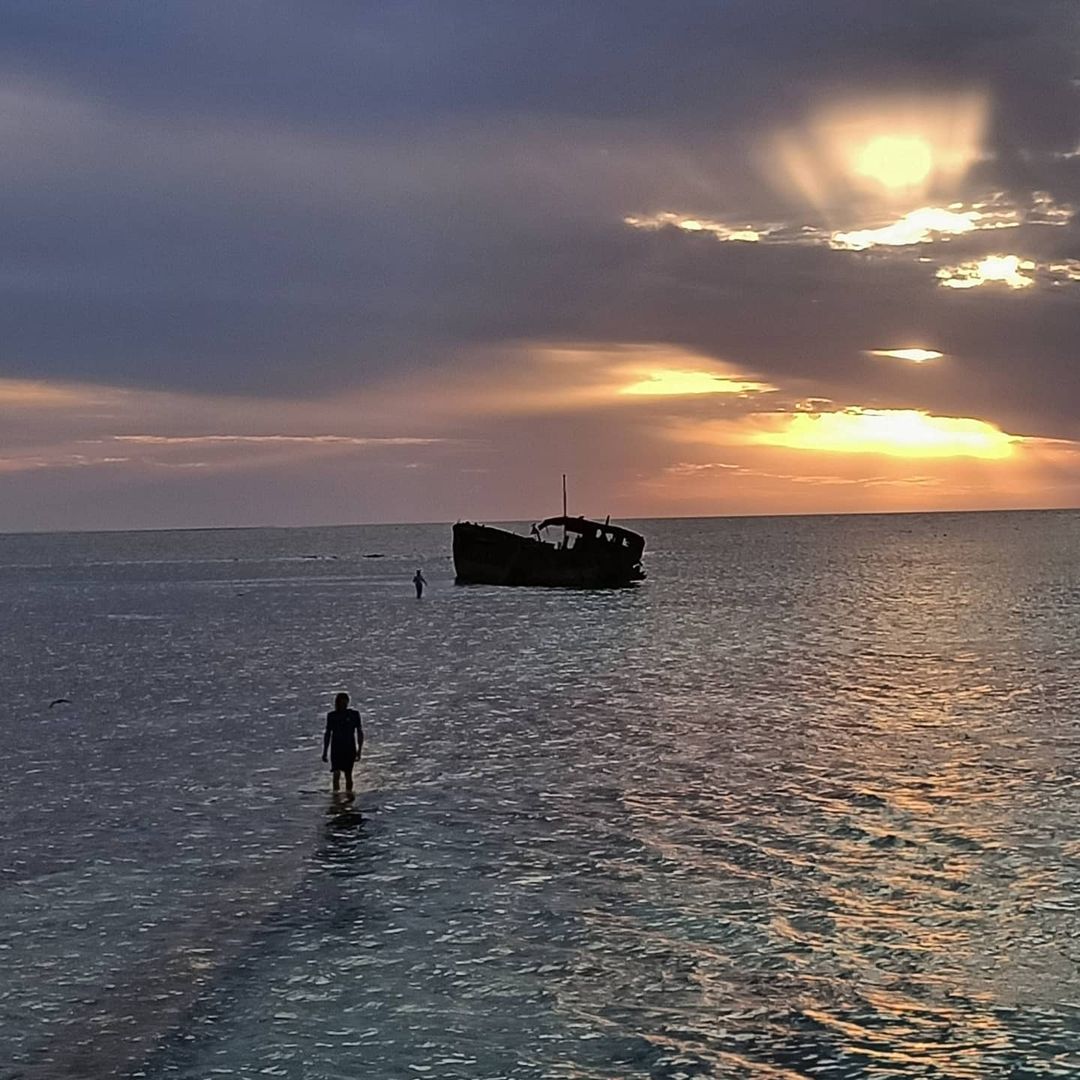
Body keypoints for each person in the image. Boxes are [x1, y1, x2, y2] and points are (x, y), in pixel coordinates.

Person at [322, 692, 363, 795]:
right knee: (336, 774)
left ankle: (349, 796)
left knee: (348, 775)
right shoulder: (332, 716)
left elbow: (360, 732)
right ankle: (336, 797)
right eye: (341, 702)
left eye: (345, 702)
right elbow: (328, 734)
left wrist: (359, 750)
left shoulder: (354, 715)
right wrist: (325, 751)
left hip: (349, 748)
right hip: (336, 748)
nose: (343, 704)